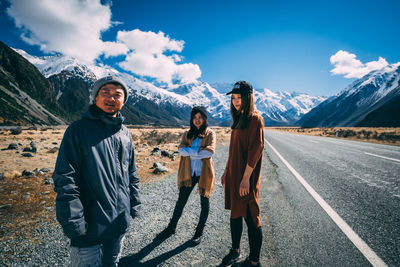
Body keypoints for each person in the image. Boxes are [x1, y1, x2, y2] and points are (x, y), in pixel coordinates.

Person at [53, 75, 141, 267]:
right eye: (105, 93)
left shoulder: (125, 133)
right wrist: (74, 220)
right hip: (89, 226)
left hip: (118, 223)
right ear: (95, 97)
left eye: (117, 94)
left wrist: (134, 204)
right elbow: (66, 178)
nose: (111, 98)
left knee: (112, 263)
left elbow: (131, 173)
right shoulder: (78, 130)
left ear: (123, 100)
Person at [155, 106, 216, 246]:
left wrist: (191, 151)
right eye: (195, 117)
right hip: (189, 173)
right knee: (181, 201)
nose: (197, 120)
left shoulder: (210, 133)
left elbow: (210, 152)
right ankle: (171, 228)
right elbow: (181, 150)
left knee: (204, 203)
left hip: (203, 173)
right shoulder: (187, 133)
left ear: (205, 119)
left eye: (200, 117)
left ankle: (199, 232)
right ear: (192, 119)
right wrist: (198, 151)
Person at [220, 81, 264, 267]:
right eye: (233, 98)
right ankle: (235, 250)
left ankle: (254, 261)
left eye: (239, 98)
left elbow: (256, 149)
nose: (236, 101)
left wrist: (246, 179)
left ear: (248, 98)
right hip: (234, 176)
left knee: (252, 217)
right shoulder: (238, 119)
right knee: (235, 214)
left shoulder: (255, 119)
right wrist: (226, 172)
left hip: (246, 178)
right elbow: (233, 151)